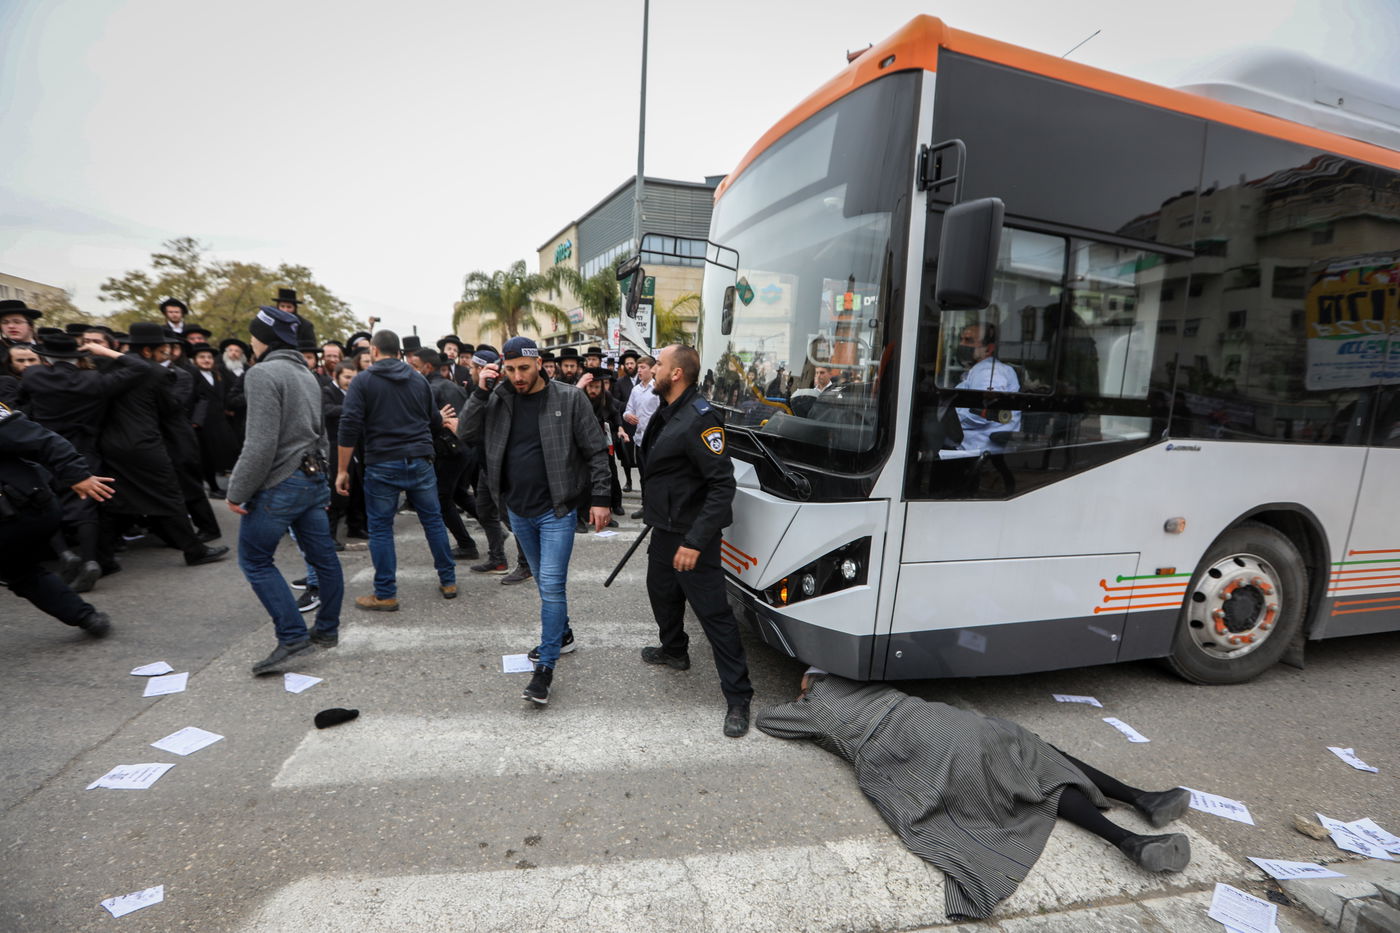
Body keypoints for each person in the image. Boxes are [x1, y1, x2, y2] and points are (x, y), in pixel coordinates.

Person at [756, 672, 1193, 921]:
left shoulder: (813, 710)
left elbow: (767, 720)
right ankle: (1142, 799)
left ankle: (1130, 841)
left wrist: (802, 701)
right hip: (952, 723)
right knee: (1038, 757)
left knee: (1028, 790)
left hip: (916, 752)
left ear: (808, 686)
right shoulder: (863, 683)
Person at [461, 336, 610, 706]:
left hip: (556, 511)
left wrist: (601, 499)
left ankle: (545, 669)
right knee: (545, 584)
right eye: (510, 369)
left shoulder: (569, 398)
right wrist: (480, 392)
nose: (518, 376)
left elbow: (596, 451)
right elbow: (465, 433)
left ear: (540, 364)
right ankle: (564, 634)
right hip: (517, 510)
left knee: (552, 586)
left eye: (524, 368)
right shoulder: (498, 397)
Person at [637, 344, 754, 736]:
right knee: (661, 593)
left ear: (676, 374)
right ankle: (674, 651)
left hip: (692, 537)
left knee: (714, 616)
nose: (652, 369)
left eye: (659, 364)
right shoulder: (669, 410)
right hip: (665, 528)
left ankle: (738, 698)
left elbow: (722, 486)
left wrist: (695, 541)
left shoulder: (701, 419)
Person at [226, 306, 343, 674]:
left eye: (253, 336)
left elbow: (260, 443)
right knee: (324, 559)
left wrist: (236, 491)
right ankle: (327, 630)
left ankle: (292, 636)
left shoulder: (262, 373)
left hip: (281, 482)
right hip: (311, 478)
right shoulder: (307, 375)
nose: (250, 343)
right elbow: (322, 438)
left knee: (255, 559)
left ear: (265, 339)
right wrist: (323, 486)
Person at [335, 329, 456, 610]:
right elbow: (433, 421)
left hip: (382, 462)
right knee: (433, 521)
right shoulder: (418, 379)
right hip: (420, 459)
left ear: (374, 351)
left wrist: (342, 470)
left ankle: (386, 593)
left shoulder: (363, 381)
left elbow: (348, 426)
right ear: (399, 352)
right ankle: (448, 580)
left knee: (380, 529)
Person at [97, 322, 228, 569]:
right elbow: (170, 407)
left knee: (115, 500)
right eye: (162, 350)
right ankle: (194, 550)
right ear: (148, 351)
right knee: (170, 496)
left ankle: (101, 559)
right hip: (144, 444)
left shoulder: (109, 369)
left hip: (112, 444)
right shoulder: (155, 372)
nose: (165, 355)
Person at [19, 333, 144, 591]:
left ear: (46, 357)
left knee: (45, 500)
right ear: (77, 358)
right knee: (85, 503)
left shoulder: (33, 375)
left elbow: (20, 403)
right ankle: (89, 560)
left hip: (45, 448)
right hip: (84, 448)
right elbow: (140, 367)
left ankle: (64, 553)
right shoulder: (94, 379)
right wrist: (103, 351)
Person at [0, 402, 116, 637]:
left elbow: (42, 440)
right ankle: (87, 618)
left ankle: (86, 617)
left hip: (21, 510)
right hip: (28, 508)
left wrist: (77, 474)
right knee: (21, 572)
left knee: (21, 572)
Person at [408, 347, 478, 560]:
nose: (412, 370)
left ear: (428, 367)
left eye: (415, 366)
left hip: (447, 451)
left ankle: (466, 544)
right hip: (464, 449)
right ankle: (494, 529)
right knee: (458, 493)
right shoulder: (453, 387)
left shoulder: (428, 389)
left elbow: (427, 424)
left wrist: (436, 420)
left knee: (442, 497)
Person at [955, 322, 1021, 452]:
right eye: (961, 339)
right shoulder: (978, 370)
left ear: (988, 349)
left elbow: (980, 413)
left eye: (969, 340)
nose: (962, 344)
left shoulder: (990, 372)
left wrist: (946, 417)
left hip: (979, 451)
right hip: (969, 447)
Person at [188, 343, 239, 497]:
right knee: (206, 457)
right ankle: (213, 488)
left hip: (219, 421)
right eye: (202, 357)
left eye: (209, 357)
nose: (206, 360)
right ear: (195, 360)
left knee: (229, 451)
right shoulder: (192, 376)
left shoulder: (217, 375)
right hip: (202, 424)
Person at [622, 355, 659, 519]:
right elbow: (628, 409)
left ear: (652, 369)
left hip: (655, 440)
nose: (639, 371)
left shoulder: (657, 388)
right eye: (638, 368)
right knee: (643, 475)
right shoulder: (635, 390)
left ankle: (656, 507)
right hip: (639, 440)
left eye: (643, 367)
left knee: (654, 475)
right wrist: (627, 416)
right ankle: (645, 506)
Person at [611, 349, 641, 491]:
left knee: (641, 455)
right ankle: (628, 481)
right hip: (626, 423)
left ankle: (642, 480)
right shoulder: (619, 382)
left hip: (641, 423)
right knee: (626, 456)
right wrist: (629, 407)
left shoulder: (644, 380)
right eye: (627, 364)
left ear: (636, 364)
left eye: (631, 363)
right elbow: (615, 402)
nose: (629, 366)